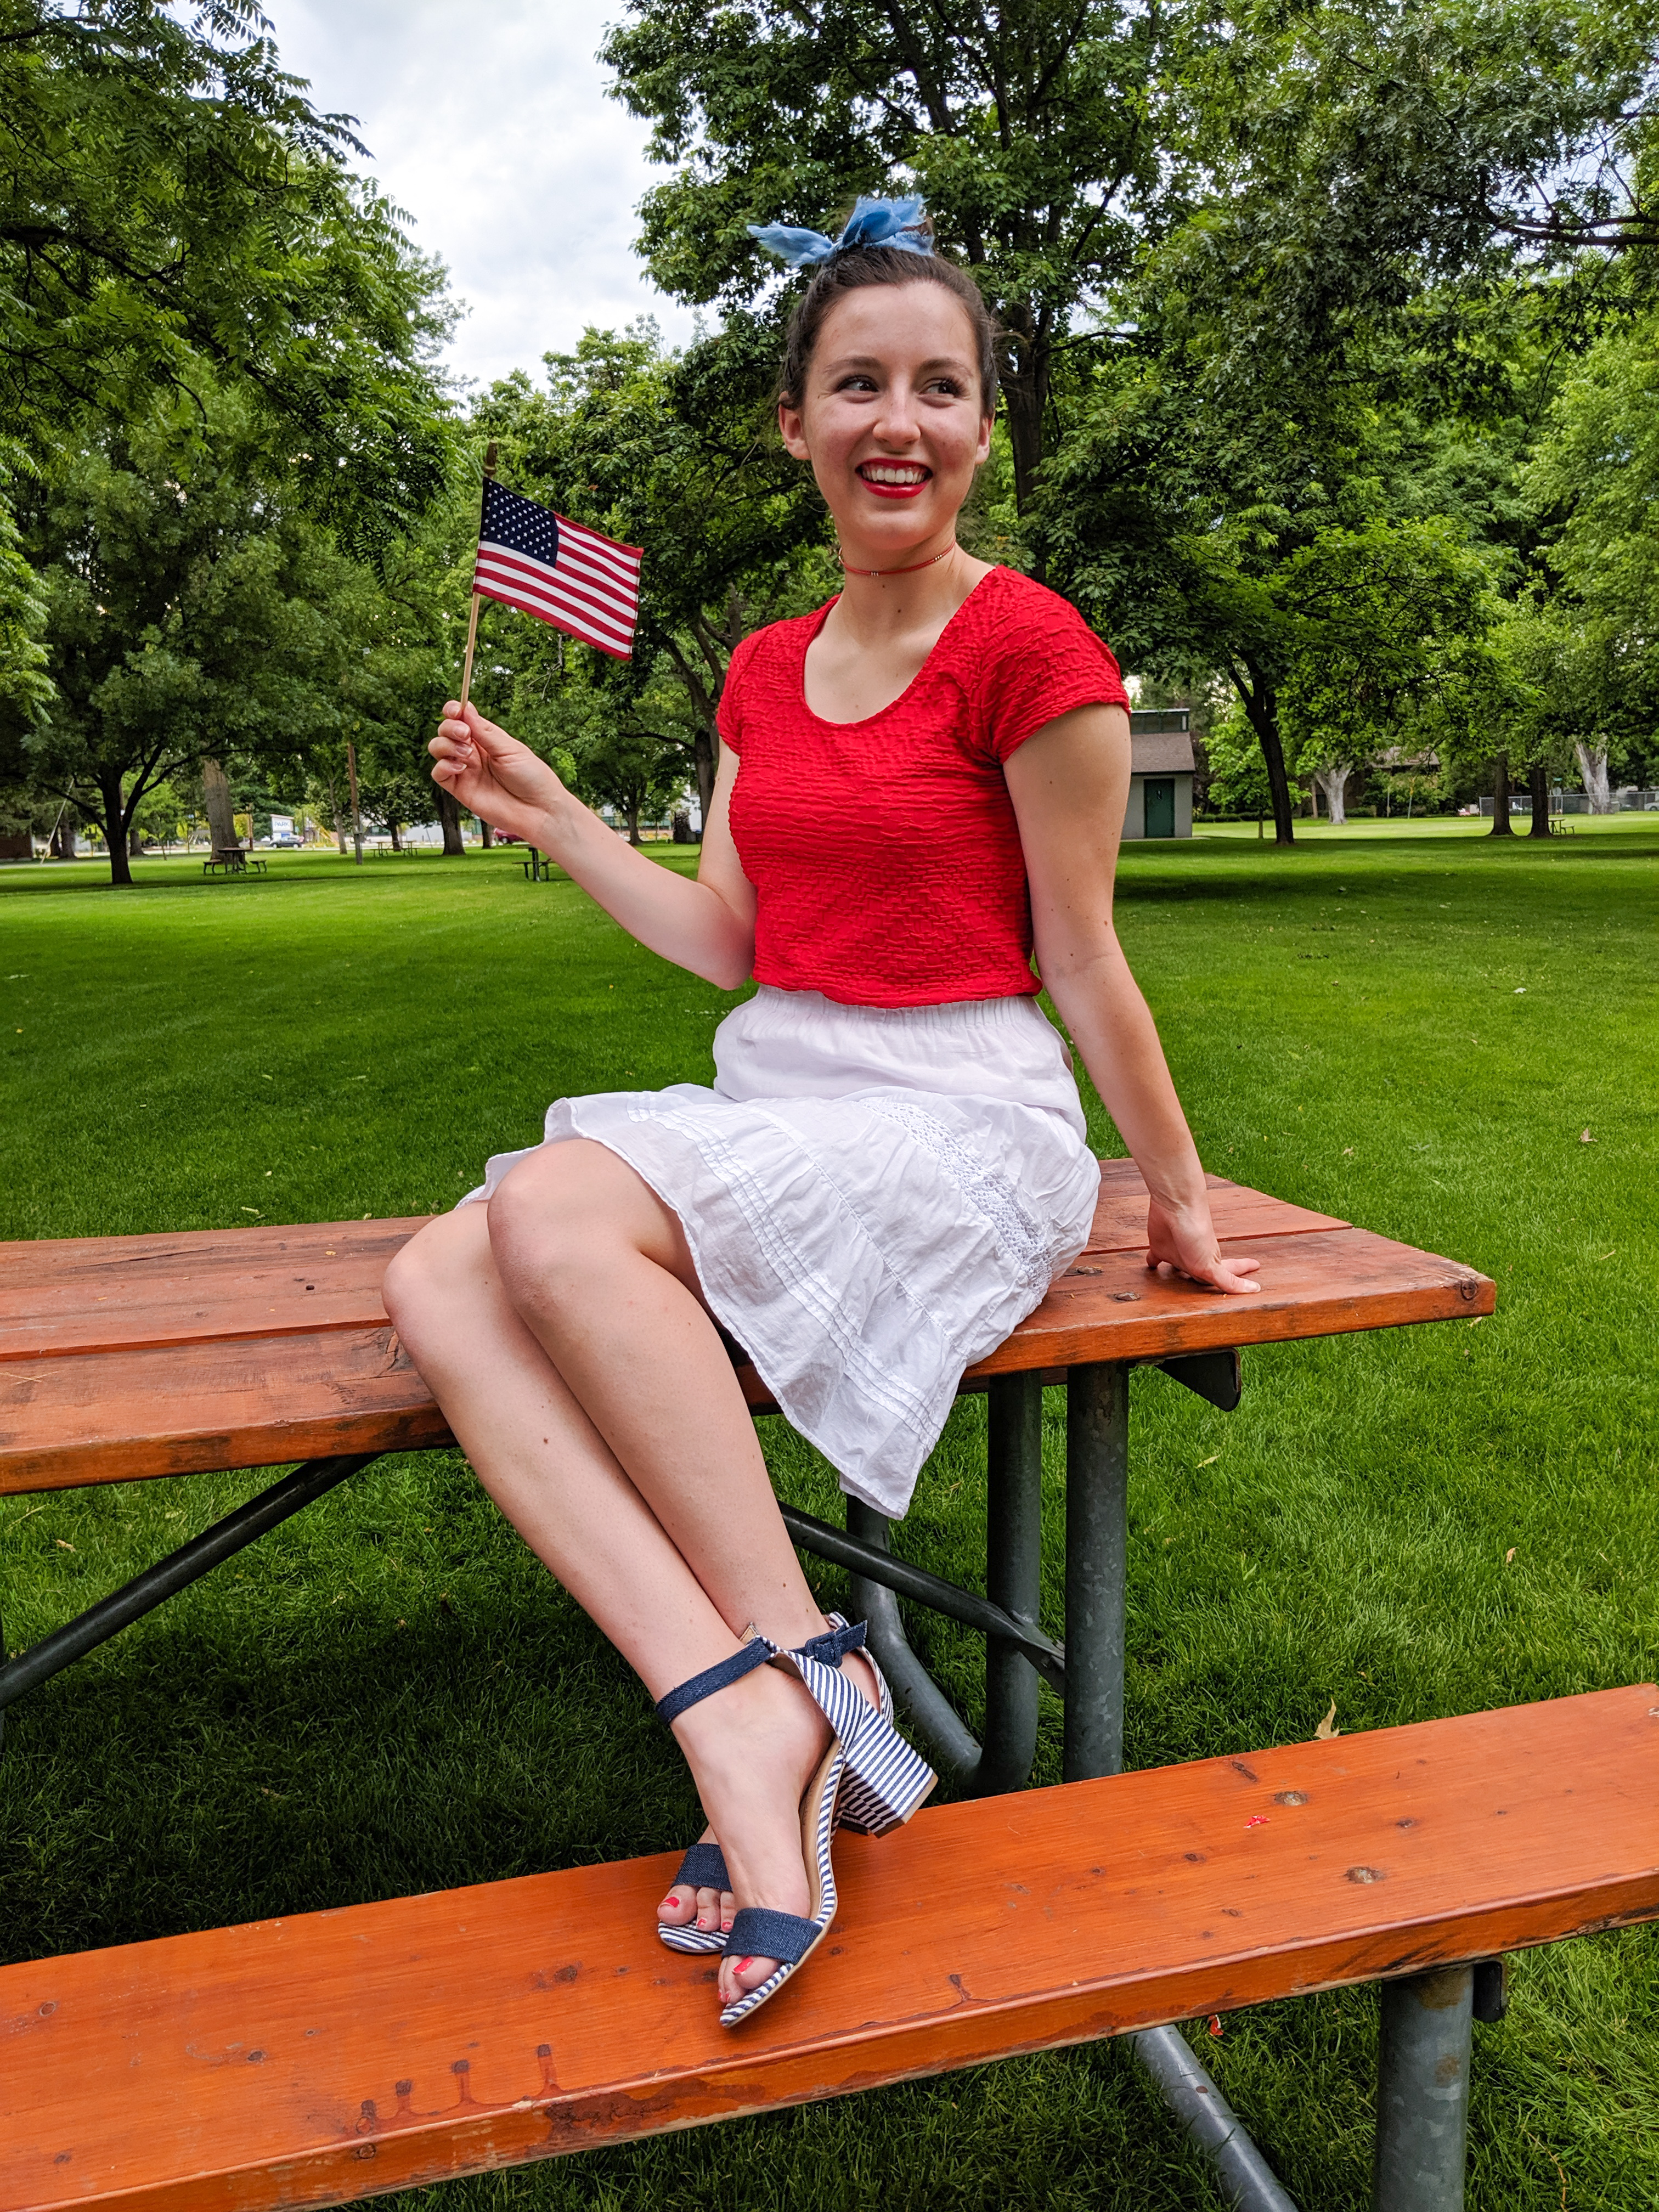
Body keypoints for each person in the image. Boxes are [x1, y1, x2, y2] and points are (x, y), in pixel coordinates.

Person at [383, 196, 1260, 2030]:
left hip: (964, 1109)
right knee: (435, 1279)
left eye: (942, 387)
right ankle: (747, 1705)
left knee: (545, 1214)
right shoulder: (764, 672)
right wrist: (553, 815)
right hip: (786, 1084)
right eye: (858, 382)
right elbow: (730, 945)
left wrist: (1170, 1195)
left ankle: (796, 1669)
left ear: (983, 427)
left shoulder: (1035, 653)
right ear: (796, 421)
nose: (900, 421)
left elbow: (1085, 965)